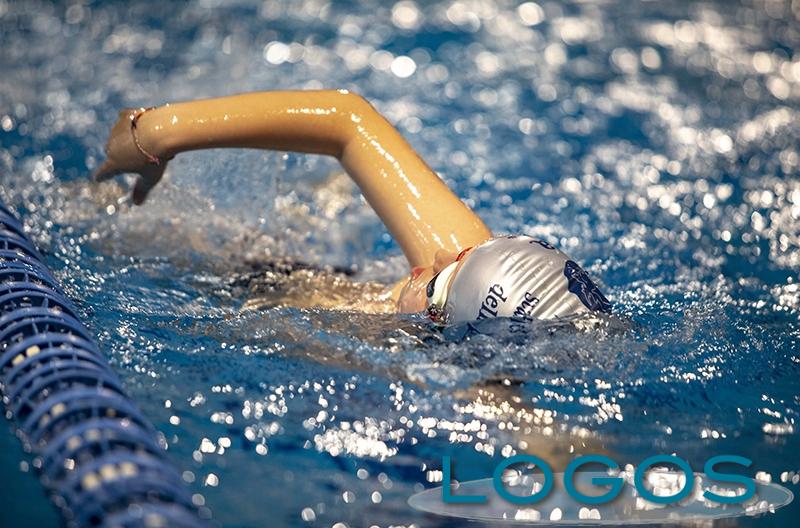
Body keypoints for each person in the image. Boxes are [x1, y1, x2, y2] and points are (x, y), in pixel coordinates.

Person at [95, 90, 611, 327]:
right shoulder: (475, 271)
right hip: (285, 277)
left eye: (438, 284)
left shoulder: (464, 377)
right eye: (464, 256)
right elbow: (349, 120)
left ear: (449, 332)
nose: (435, 258)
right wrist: (157, 134)